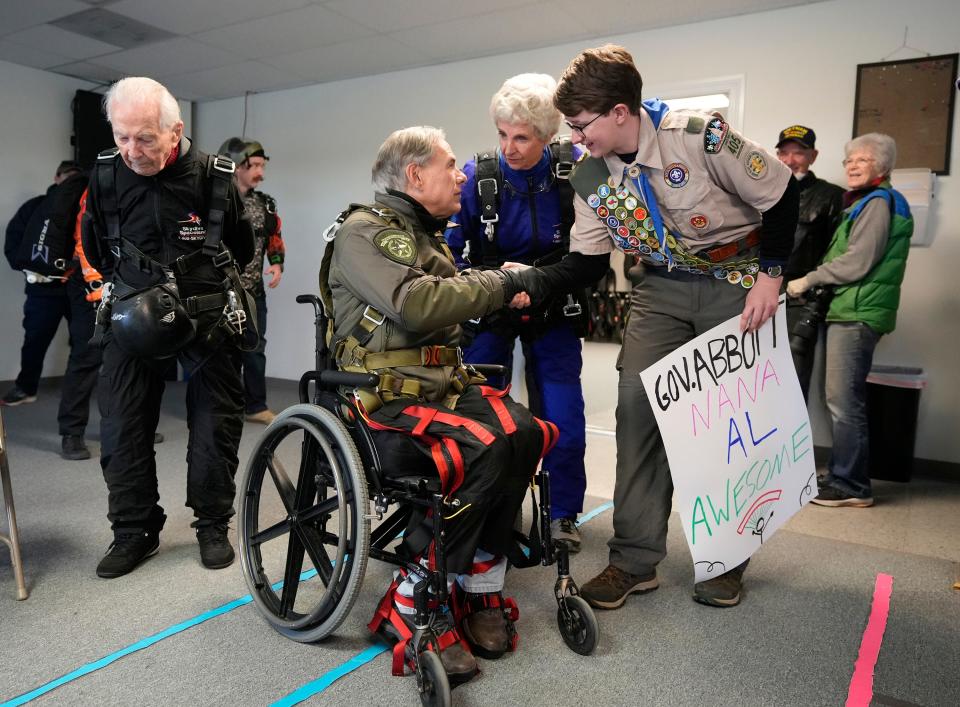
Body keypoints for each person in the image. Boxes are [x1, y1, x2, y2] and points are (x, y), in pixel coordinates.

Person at [551, 44, 798, 609]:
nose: (575, 137)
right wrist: (528, 282)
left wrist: (771, 276)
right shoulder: (589, 175)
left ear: (619, 112)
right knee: (638, 410)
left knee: (729, 423)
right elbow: (587, 262)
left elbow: (783, 194)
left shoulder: (700, 136)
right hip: (660, 288)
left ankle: (728, 558)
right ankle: (633, 561)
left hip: (737, 278)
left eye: (581, 124)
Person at [321, 126, 553, 683]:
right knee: (484, 444)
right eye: (451, 165)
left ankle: (479, 581)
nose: (463, 175)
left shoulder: (428, 237)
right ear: (414, 175)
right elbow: (418, 304)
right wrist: (499, 283)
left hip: (442, 387)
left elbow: (455, 307)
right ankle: (413, 592)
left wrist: (501, 290)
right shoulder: (363, 231)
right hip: (382, 400)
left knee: (524, 431)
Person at [81, 77, 254, 578]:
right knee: (122, 427)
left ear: (175, 131)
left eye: (146, 138)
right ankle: (134, 531)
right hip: (133, 314)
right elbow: (95, 248)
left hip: (207, 316)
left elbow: (239, 248)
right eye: (122, 136)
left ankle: (211, 523)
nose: (132, 150)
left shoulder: (214, 177)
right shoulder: (107, 175)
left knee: (214, 423)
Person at [445, 73, 588, 552]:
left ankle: (564, 514)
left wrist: (538, 283)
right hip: (492, 302)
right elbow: (449, 254)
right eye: (503, 134)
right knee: (482, 412)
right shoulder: (478, 176)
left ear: (549, 136)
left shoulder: (580, 171)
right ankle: (485, 506)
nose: (509, 146)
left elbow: (598, 250)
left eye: (522, 137)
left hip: (556, 300)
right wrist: (498, 288)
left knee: (563, 412)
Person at [787, 133, 913, 508]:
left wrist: (808, 279)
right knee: (841, 399)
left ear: (883, 166)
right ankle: (844, 474)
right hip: (850, 310)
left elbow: (859, 260)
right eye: (850, 161)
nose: (854, 166)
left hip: (857, 312)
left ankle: (852, 485)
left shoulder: (877, 203)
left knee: (844, 401)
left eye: (864, 160)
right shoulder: (863, 203)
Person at [2, 161, 85, 407]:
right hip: (42, 289)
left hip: (78, 288)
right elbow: (14, 246)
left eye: (75, 178)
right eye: (67, 177)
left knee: (83, 343)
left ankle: (76, 392)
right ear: (56, 177)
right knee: (35, 340)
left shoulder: (86, 209)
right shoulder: (35, 208)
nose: (70, 182)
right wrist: (32, 270)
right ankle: (25, 388)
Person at [217, 137, 285, 425]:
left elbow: (273, 237)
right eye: (254, 165)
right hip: (221, 291)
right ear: (236, 167)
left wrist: (277, 265)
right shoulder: (217, 201)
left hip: (254, 291)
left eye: (261, 165)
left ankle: (255, 405)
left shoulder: (265, 204)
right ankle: (227, 405)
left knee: (255, 348)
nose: (260, 172)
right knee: (225, 350)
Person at [776, 125, 844, 399]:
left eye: (799, 153)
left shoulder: (833, 197)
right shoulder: (763, 193)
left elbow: (837, 254)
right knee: (755, 382)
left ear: (813, 156)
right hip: (758, 296)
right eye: (783, 153)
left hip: (801, 300)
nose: (790, 161)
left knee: (792, 380)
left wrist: (816, 302)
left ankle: (792, 443)